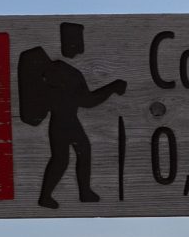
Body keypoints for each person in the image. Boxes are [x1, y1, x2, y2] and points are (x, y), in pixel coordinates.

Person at [16, 22, 128, 208]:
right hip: (62, 123)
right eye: (76, 43)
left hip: (67, 121)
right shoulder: (60, 72)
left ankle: (81, 192)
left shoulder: (61, 70)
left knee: (78, 153)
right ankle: (49, 195)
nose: (79, 49)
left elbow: (86, 100)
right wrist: (113, 87)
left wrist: (111, 88)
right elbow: (88, 101)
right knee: (62, 159)